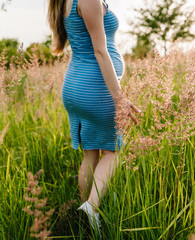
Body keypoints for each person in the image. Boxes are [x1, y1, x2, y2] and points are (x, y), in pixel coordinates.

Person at [47, 0, 140, 234]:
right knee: (112, 152)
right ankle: (90, 210)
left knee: (90, 155)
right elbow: (100, 51)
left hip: (79, 85)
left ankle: (86, 217)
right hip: (95, 90)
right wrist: (120, 98)